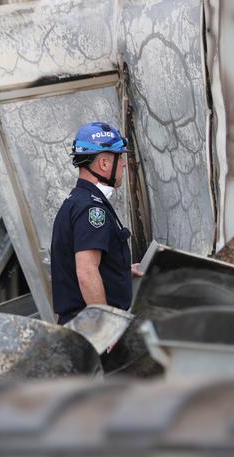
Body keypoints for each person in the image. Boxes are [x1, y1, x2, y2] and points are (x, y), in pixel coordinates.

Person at [50, 121, 143, 325]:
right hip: (90, 331)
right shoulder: (92, 210)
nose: (124, 164)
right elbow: (86, 271)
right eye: (120, 157)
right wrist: (105, 327)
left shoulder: (77, 201)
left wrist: (120, 271)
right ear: (104, 163)